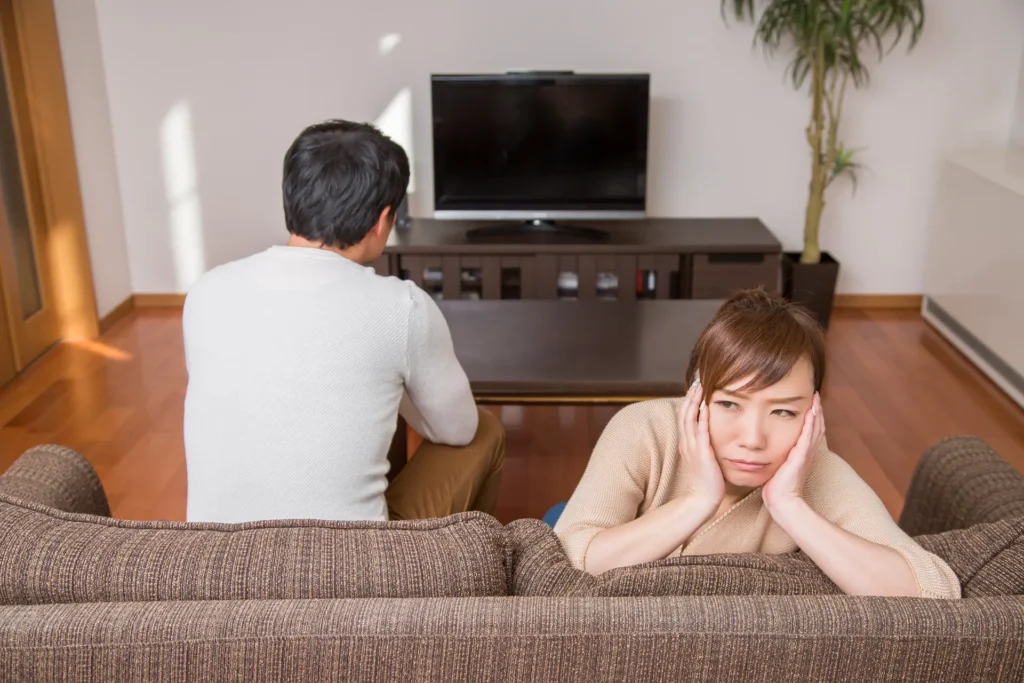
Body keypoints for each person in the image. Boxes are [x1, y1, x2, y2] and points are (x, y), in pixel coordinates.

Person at [183, 120, 504, 524]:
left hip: (213, 554)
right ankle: (462, 552)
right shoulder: (402, 306)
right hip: (349, 556)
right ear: (382, 220)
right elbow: (458, 430)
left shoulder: (207, 292)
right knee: (484, 430)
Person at [554, 289, 960, 599]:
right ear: (695, 395)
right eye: (729, 404)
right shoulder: (643, 428)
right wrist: (697, 501)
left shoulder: (815, 468)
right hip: (604, 519)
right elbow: (570, 559)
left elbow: (934, 589)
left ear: (813, 410)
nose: (752, 439)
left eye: (783, 411)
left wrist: (789, 505)